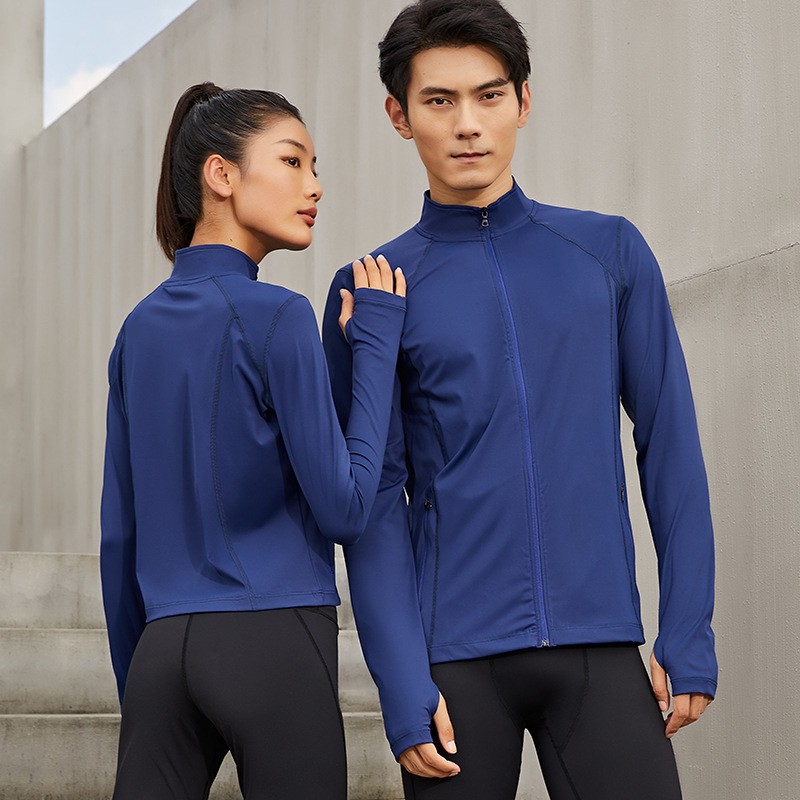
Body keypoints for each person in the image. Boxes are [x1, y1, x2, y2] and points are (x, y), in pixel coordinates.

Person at [322, 2, 717, 798]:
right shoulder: (374, 290)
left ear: (523, 101)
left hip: (600, 645)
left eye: (490, 95)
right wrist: (400, 680)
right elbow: (375, 505)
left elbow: (669, 445)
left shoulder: (607, 252)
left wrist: (688, 628)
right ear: (399, 116)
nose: (468, 124)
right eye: (439, 101)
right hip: (454, 665)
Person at [100, 82, 406, 800]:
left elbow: (120, 536)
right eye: (293, 162)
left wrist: (140, 682)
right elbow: (346, 508)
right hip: (274, 639)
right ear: (221, 174)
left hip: (160, 654)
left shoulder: (136, 331)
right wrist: (375, 349)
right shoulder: (278, 315)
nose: (315, 186)